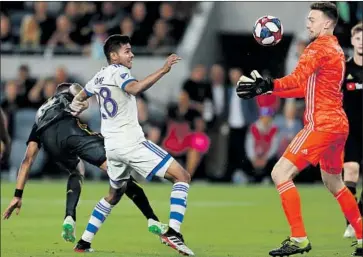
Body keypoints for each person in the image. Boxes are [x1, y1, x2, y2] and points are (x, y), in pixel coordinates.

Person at [236, 2, 362, 256]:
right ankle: (362, 238)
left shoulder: (316, 48)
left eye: (312, 19)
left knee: (280, 173)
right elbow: (305, 88)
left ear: (327, 23)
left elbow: (296, 79)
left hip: (321, 124)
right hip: (339, 125)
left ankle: (299, 238)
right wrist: (268, 88)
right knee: (335, 183)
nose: (307, 23)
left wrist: (267, 83)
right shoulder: (336, 48)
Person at [70, 35, 194, 256]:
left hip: (112, 148)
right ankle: (173, 231)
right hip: (132, 143)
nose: (132, 54)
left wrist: (74, 108)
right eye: (127, 51)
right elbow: (135, 89)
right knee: (182, 176)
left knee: (114, 194)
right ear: (114, 56)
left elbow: (81, 96)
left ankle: (83, 243)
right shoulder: (119, 71)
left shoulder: (99, 76)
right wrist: (163, 69)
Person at [2, 82, 166, 244]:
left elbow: (27, 160)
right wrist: (83, 101)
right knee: (118, 174)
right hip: (69, 130)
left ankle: (69, 217)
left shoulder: (39, 117)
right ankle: (152, 219)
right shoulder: (63, 94)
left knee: (77, 171)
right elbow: (76, 88)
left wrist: (17, 195)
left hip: (50, 141)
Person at [342, 22, 363, 239]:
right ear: (352, 41)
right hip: (351, 131)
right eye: (358, 38)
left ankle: (359, 217)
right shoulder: (344, 69)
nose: (362, 42)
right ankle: (350, 223)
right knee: (351, 172)